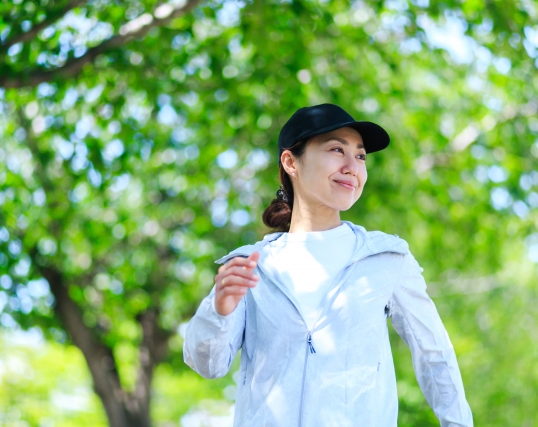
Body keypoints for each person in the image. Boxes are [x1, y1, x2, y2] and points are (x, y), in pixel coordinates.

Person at [183, 103, 473, 426]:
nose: (353, 167)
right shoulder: (250, 265)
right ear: (291, 162)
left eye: (361, 156)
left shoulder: (387, 258)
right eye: (337, 150)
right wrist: (218, 310)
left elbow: (435, 357)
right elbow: (206, 364)